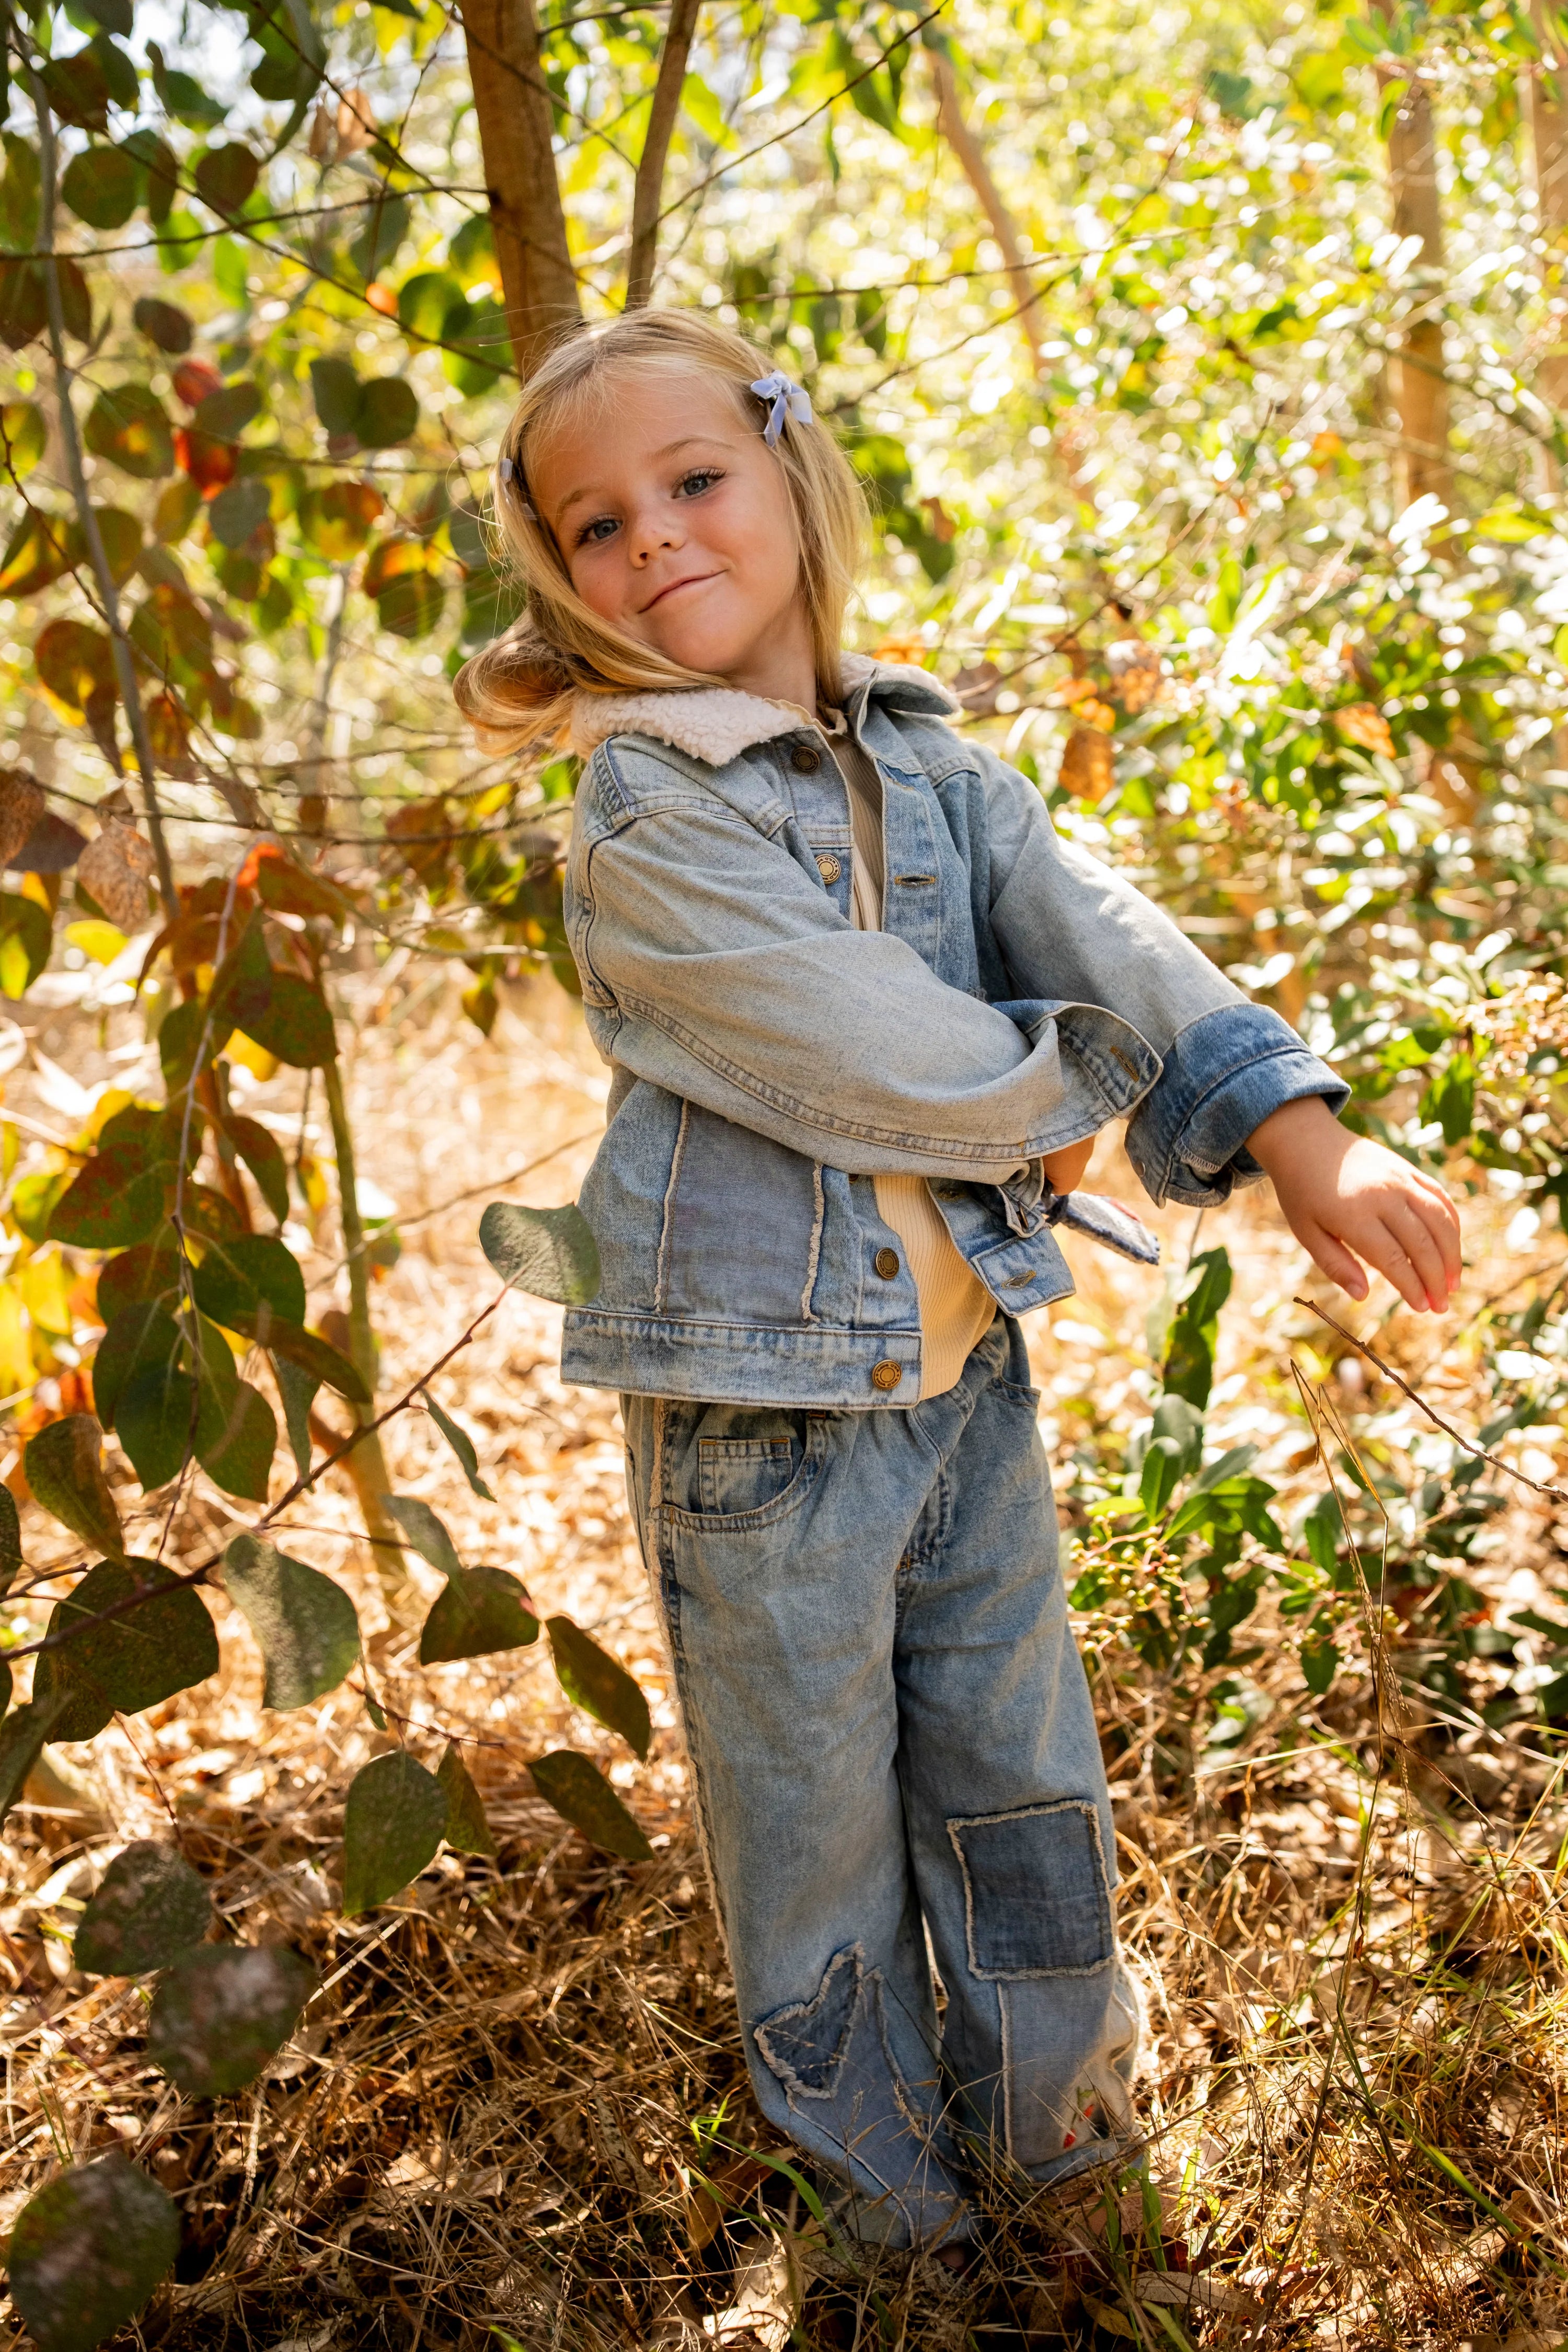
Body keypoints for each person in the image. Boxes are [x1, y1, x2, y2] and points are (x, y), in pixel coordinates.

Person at [454, 312, 1461, 2256]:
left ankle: (1067, 2166)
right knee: (812, 1837)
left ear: (789, 471)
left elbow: (1101, 929)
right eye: (596, 524)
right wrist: (1061, 1108)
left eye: (692, 480)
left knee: (1023, 1782)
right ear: (566, 581)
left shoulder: (933, 766)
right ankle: (889, 2228)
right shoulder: (648, 812)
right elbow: (863, 1042)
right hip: (762, 1426)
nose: (652, 537)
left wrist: (1295, 1129)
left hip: (963, 1384)